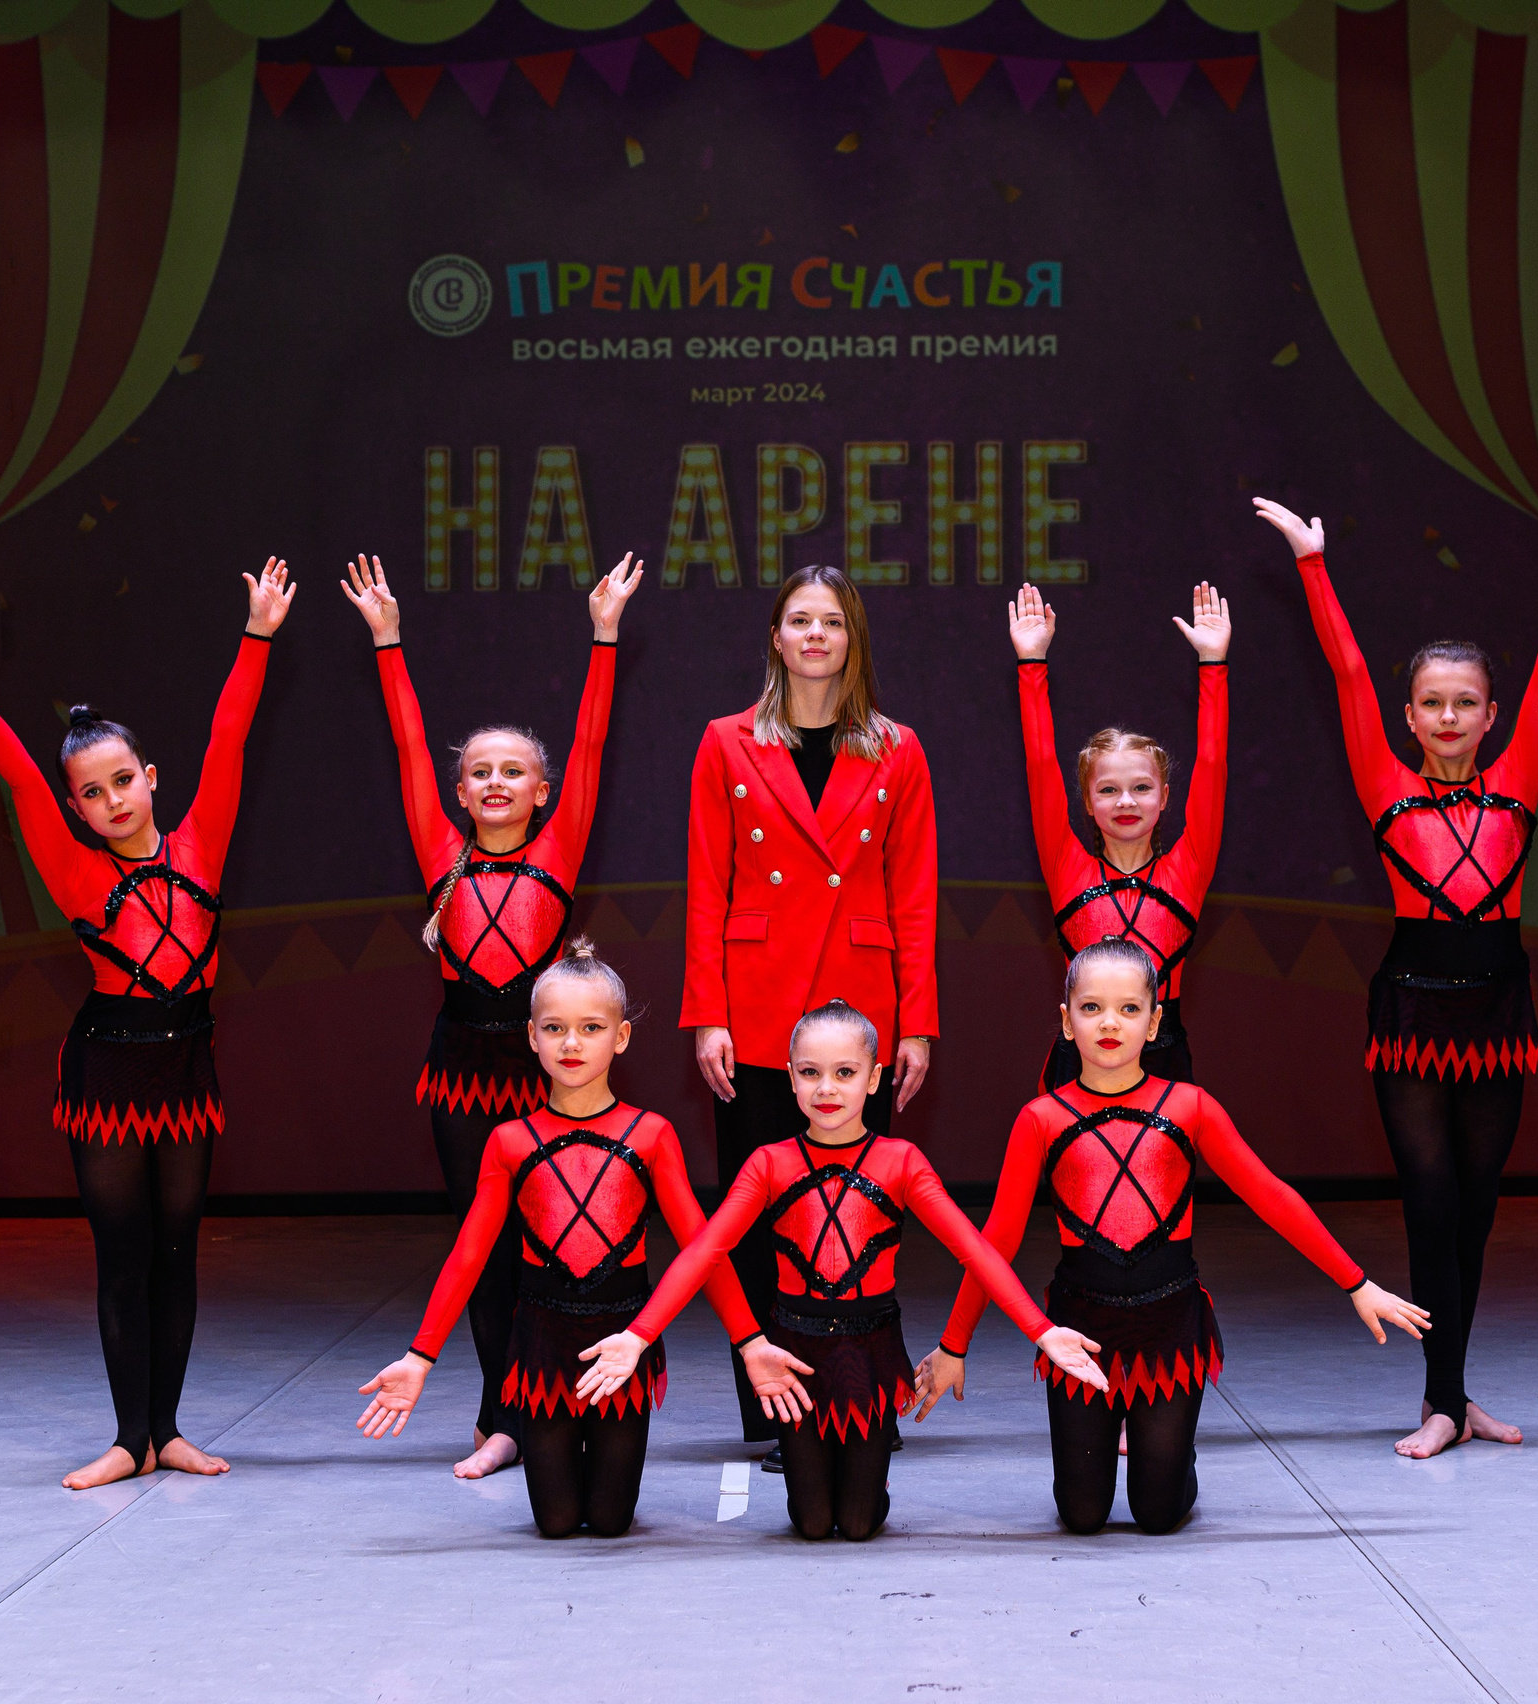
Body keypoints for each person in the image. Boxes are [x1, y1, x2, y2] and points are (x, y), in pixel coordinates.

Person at [0, 559, 297, 1488]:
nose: (112, 801)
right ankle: (128, 1438)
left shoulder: (203, 840)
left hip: (187, 1067)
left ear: (151, 778)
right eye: (93, 794)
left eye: (124, 782)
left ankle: (169, 1430)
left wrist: (258, 634)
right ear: (76, 807)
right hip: (109, 1075)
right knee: (123, 1259)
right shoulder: (74, 869)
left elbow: (231, 734)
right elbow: (17, 781)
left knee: (177, 1252)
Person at [1256, 476, 1538, 1459]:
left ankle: (1455, 1397)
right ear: (1410, 717)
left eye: (1467, 702)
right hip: (1412, 1014)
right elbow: (1341, 669)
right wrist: (1311, 560)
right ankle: (1438, 1401)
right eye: (1433, 703)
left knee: (1475, 1213)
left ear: (1492, 714)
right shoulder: (1385, 783)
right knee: (1429, 1209)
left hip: (1498, 1012)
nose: (1451, 716)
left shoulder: (1516, 783)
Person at [911, 941, 1428, 1532]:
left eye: (1129, 1009)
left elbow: (1270, 1196)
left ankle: (1176, 1455)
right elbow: (993, 1241)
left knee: (1159, 1512)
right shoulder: (1040, 1119)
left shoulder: (1190, 1106)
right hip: (1080, 1335)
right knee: (1081, 1514)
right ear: (1065, 1020)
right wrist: (955, 1346)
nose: (1110, 1023)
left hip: (1171, 1325)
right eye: (1092, 1008)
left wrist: (1356, 1283)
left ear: (1156, 1021)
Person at [577, 1000, 1107, 1541]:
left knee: (856, 1523)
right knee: (810, 1522)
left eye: (845, 1073)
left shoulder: (901, 1161)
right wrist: (640, 1336)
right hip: (795, 1359)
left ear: (875, 1079)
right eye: (810, 1073)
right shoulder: (768, 1163)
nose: (826, 1089)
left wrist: (1039, 1331)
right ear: (790, 1078)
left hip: (870, 1353)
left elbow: (976, 1252)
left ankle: (866, 1482)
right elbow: (703, 1254)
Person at [340, 551, 642, 1480]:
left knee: (549, 1243)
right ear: (460, 793)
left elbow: (591, 744)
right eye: (481, 773)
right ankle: (499, 1414)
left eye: (516, 771)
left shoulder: (558, 852)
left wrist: (603, 634)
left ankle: (554, 1400)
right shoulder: (442, 855)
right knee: (484, 1244)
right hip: (461, 1072)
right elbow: (400, 741)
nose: (499, 783)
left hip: (543, 1068)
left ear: (542, 793)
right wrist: (388, 640)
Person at [353, 941, 787, 1537]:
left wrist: (751, 1342)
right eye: (555, 1028)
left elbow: (704, 1251)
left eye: (591, 1027)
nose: (572, 1044)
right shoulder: (509, 1140)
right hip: (542, 1348)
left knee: (610, 1521)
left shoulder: (652, 1134)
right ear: (531, 1037)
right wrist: (419, 1357)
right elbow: (470, 1255)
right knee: (555, 1523)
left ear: (622, 1037)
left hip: (623, 1347)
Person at [681, 565, 939, 1462]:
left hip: (860, 1002)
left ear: (853, 639)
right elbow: (706, 885)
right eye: (800, 620)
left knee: (863, 1211)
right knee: (753, 1216)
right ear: (777, 638)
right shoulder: (726, 742)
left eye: (833, 621)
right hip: (754, 1001)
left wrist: (916, 1024)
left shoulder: (897, 748)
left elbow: (914, 896)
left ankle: (865, 1394)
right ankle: (772, 1407)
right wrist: (706, 1013)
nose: (817, 635)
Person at [1007, 581, 1231, 1088]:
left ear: (1165, 798)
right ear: (1086, 802)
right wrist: (1031, 662)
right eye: (1108, 790)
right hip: (1076, 1062)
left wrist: (1213, 664)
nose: (1125, 802)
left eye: (1141, 788)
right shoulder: (1068, 865)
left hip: (1165, 1058)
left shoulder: (1187, 868)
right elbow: (1041, 764)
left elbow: (1213, 764)